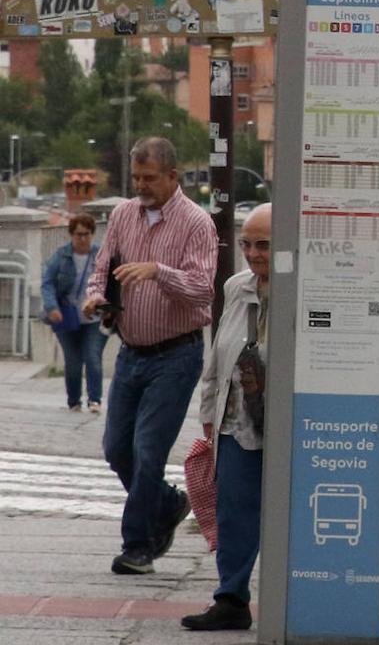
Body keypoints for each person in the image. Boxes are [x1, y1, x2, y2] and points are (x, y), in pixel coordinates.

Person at [82, 137, 218, 576]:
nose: (141, 186)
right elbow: (103, 267)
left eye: (150, 178)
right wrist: (95, 297)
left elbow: (203, 288)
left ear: (173, 177)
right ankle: (168, 503)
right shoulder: (123, 215)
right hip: (130, 352)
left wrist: (159, 272)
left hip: (176, 355)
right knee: (115, 448)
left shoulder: (197, 224)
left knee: (147, 451)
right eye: (136, 178)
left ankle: (138, 545)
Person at [182, 204, 271, 632]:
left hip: (290, 424)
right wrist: (207, 414)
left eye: (265, 245)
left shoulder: (306, 291)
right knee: (234, 510)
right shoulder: (237, 287)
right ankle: (231, 597)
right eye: (247, 244)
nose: (254, 253)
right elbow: (217, 358)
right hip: (237, 423)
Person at [42, 212, 107, 413]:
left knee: (93, 357)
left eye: (86, 234)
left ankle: (94, 400)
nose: (82, 239)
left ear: (92, 234)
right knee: (73, 361)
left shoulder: (100, 256)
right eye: (78, 234)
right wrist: (52, 307)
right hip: (66, 317)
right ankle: (74, 401)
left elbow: (110, 283)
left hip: (94, 317)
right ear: (71, 235)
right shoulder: (61, 256)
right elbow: (47, 283)